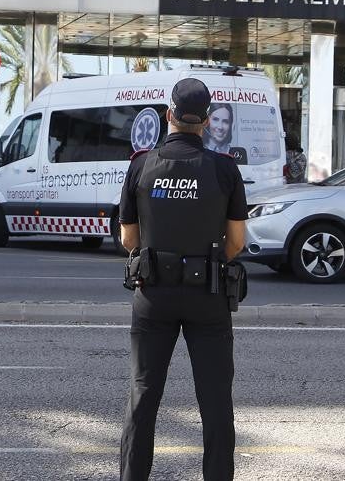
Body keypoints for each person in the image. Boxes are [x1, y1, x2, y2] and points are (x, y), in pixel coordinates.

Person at [118, 77, 248, 481]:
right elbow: (237, 242)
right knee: (214, 403)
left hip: (154, 295)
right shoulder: (225, 169)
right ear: (207, 121)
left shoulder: (141, 164)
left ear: (168, 115)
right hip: (207, 298)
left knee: (143, 397)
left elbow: (128, 238)